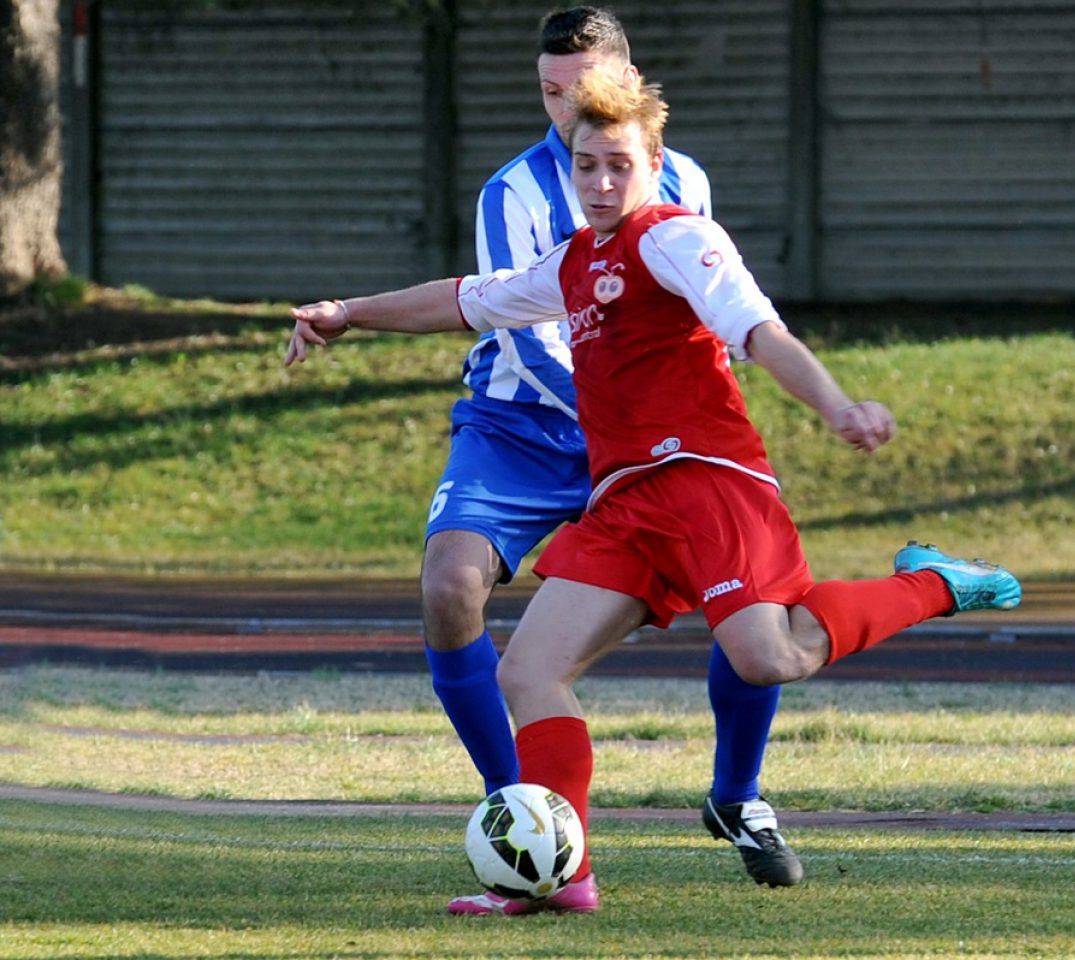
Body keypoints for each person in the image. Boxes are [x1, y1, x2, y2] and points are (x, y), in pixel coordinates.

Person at [289, 69, 1021, 916]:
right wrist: (348, 313)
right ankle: (562, 877)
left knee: (768, 656)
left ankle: (934, 583)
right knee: (529, 671)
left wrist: (838, 404)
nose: (601, 184)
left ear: (654, 162)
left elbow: (760, 330)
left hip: (709, 480)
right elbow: (466, 301)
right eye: (586, 166)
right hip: (626, 505)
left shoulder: (677, 236)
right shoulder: (570, 263)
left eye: (619, 166)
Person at [286, 7, 803, 904]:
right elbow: (518, 326)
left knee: (749, 591)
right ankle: (522, 813)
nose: (563, 109)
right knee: (450, 588)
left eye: (580, 88)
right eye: (548, 92)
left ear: (627, 87)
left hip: (645, 439)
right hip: (522, 427)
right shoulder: (513, 193)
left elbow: (703, 323)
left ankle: (739, 795)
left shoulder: (685, 183)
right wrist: (349, 310)